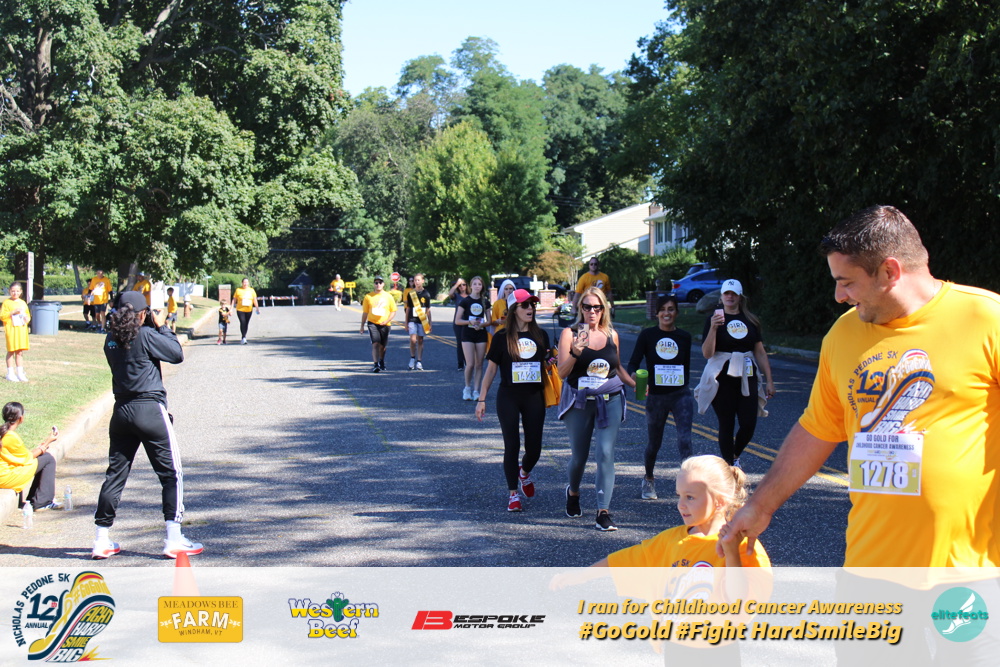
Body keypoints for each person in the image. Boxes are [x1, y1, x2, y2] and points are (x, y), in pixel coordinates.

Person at [721, 205, 1000, 665]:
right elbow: (816, 429)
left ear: (889, 271)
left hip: (968, 575)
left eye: (846, 282)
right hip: (872, 574)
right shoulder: (843, 335)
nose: (838, 296)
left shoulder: (984, 319)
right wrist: (761, 505)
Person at [93, 291, 202, 560]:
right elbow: (176, 354)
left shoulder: (110, 340)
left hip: (121, 411)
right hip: (149, 409)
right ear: (144, 314)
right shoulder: (146, 334)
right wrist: (162, 326)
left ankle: (101, 539)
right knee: (171, 473)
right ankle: (173, 537)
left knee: (115, 475)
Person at [557, 286, 635, 530]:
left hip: (610, 399)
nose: (592, 312)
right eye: (587, 307)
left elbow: (617, 367)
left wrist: (635, 384)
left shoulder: (611, 334)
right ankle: (573, 492)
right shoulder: (571, 333)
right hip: (580, 401)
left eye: (597, 307)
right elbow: (561, 373)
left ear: (604, 310)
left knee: (605, 453)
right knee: (579, 457)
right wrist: (575, 353)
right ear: (580, 308)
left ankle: (603, 511)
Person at [476, 289, 551, 512]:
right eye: (524, 305)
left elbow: (546, 363)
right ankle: (513, 494)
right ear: (513, 310)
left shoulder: (541, 335)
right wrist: (481, 399)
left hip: (534, 396)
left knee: (534, 449)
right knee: (512, 445)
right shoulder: (501, 338)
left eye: (532, 305)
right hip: (508, 395)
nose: (530, 309)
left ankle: (524, 473)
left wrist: (552, 360)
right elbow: (491, 370)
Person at [694, 279, 775, 467]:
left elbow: (760, 352)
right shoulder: (714, 319)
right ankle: (729, 466)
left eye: (734, 293)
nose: (730, 297)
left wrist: (770, 381)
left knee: (748, 423)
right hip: (722, 377)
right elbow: (707, 353)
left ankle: (734, 455)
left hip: (747, 375)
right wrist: (713, 328)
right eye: (726, 293)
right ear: (721, 296)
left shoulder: (751, 320)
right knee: (727, 423)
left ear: (740, 297)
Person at [626, 294, 694, 499]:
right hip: (656, 396)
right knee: (654, 443)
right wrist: (634, 377)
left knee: (685, 440)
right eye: (663, 309)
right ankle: (648, 478)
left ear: (677, 313)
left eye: (671, 309)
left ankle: (688, 486)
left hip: (681, 394)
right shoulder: (647, 335)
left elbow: (686, 367)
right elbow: (633, 363)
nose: (667, 313)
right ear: (656, 313)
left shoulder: (685, 337)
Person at [1, 402, 63, 511]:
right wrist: (48, 442)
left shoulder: (3, 433)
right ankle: (42, 502)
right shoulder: (11, 436)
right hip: (5, 477)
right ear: (21, 418)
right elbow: (28, 458)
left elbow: (22, 455)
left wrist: (42, 448)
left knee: (43, 457)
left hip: (4, 473)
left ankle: (36, 499)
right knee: (48, 459)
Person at [455, 276, 493, 401]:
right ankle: (467, 388)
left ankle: (476, 390)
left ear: (482, 287)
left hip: (480, 334)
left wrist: (481, 325)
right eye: (475, 284)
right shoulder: (465, 301)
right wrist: (469, 322)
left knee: (479, 364)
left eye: (479, 284)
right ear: (471, 286)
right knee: (470, 364)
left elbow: (489, 321)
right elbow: (457, 320)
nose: (477, 286)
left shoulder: (485, 302)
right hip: (467, 334)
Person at [360, 276, 396, 373]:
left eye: (380, 282)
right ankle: (376, 364)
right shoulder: (368, 296)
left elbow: (393, 311)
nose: (378, 284)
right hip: (373, 323)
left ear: (383, 284)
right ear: (374, 284)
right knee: (375, 343)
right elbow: (365, 312)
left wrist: (387, 320)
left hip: (385, 324)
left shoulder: (388, 296)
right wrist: (362, 326)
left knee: (382, 346)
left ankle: (381, 361)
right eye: (376, 283)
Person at [2, 282, 31, 382]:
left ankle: (20, 373)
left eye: (17, 291)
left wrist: (27, 319)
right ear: (9, 291)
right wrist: (13, 312)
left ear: (21, 292)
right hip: (11, 329)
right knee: (11, 350)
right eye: (13, 291)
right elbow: (2, 316)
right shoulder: (6, 303)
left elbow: (27, 315)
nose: (15, 293)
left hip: (21, 330)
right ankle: (10, 373)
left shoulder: (23, 303)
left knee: (19, 352)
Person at [405, 273, 432, 370]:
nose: (416, 282)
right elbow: (408, 308)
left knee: (420, 340)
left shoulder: (426, 294)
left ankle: (419, 361)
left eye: (418, 280)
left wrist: (430, 323)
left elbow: (428, 309)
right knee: (413, 339)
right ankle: (412, 358)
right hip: (412, 319)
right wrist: (406, 322)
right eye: (415, 280)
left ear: (423, 281)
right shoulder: (411, 293)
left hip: (422, 319)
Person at [448, 278, 470, 370]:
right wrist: (457, 284)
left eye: (464, 284)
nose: (462, 287)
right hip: (458, 323)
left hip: (469, 322)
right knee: (460, 343)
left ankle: (468, 362)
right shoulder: (457, 296)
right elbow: (450, 294)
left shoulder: (470, 296)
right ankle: (460, 364)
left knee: (468, 343)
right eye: (460, 285)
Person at [231, 277, 260, 345]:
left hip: (249, 310)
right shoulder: (238, 290)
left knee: (246, 323)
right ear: (242, 283)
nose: (245, 284)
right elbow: (234, 300)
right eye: (244, 282)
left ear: (248, 283)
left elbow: (254, 300)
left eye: (246, 282)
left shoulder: (252, 290)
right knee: (242, 322)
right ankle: (243, 337)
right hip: (240, 309)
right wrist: (231, 308)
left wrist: (257, 308)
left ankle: (244, 336)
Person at [490, 279, 516, 344]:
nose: (508, 291)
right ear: (503, 290)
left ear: (514, 289)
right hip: (500, 332)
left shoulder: (517, 303)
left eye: (510, 289)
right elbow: (493, 322)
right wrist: (498, 321)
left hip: (514, 332)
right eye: (506, 289)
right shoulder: (497, 303)